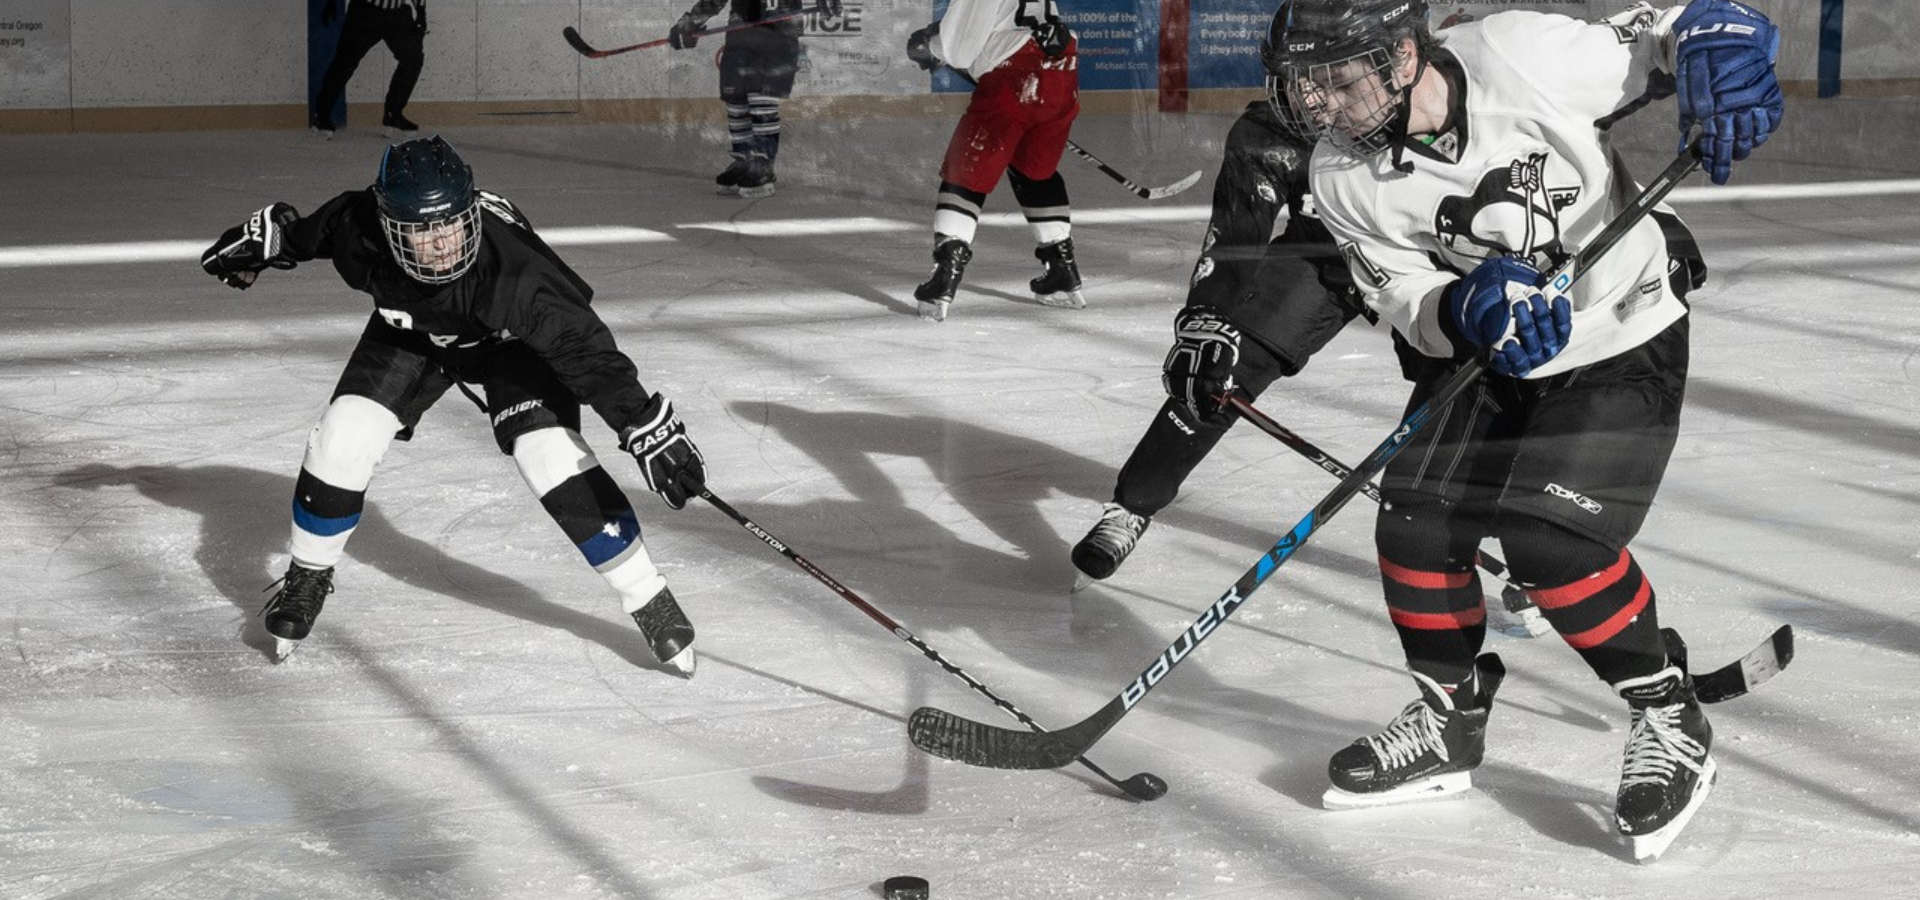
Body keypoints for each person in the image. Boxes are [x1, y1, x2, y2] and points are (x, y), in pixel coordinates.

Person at [1269, 0, 1778, 860]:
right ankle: (1449, 720)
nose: (1317, 106)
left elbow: (1671, 28)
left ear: (1401, 58)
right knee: (1415, 519)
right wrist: (1462, 305)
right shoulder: (1339, 173)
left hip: (1622, 331)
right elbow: (1404, 300)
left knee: (1550, 539)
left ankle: (1666, 710)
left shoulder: (1518, 52)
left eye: (1336, 80)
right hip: (1495, 355)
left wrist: (1717, 40)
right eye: (1302, 85)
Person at [198, 136, 710, 677]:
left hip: (511, 343)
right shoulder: (359, 228)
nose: (443, 243)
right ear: (389, 227)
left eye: (451, 225)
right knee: (344, 433)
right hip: (416, 334)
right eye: (422, 231)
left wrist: (644, 425)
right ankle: (308, 574)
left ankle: (647, 596)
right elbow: (301, 233)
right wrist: (263, 243)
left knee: (548, 454)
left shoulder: (518, 276)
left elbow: (586, 352)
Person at [903, 0, 1086, 322]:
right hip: (1060, 71)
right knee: (1035, 172)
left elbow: (958, 50)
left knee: (965, 172)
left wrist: (930, 45)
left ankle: (945, 274)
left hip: (1014, 77)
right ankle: (1062, 271)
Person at [669, 0, 840, 199]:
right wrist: (691, 21)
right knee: (736, 101)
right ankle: (744, 160)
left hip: (778, 34)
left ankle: (763, 164)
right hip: (740, 37)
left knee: (762, 101)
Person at [311, 0, 428, 137]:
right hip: (365, 12)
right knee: (344, 64)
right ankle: (321, 114)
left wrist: (421, 11)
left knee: (412, 60)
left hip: (397, 14)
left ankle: (393, 114)